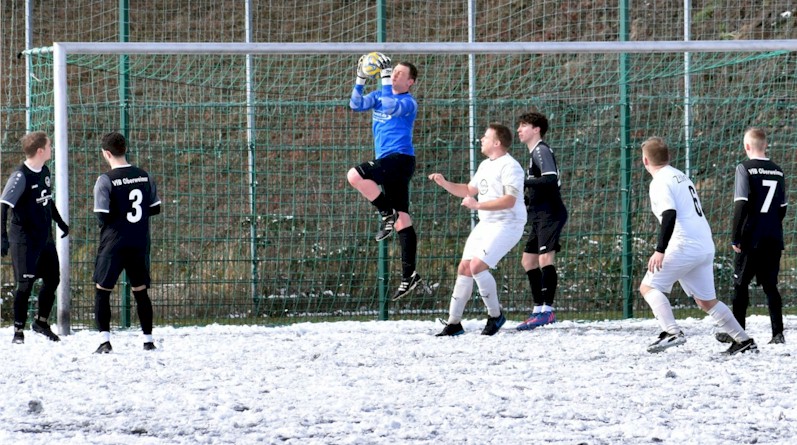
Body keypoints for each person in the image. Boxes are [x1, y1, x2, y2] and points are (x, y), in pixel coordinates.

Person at [639, 136, 757, 355]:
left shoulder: (659, 181)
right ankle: (744, 341)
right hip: (703, 245)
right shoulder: (682, 176)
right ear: (669, 156)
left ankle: (672, 331)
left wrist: (660, 250)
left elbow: (669, 213)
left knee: (648, 287)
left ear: (645, 161)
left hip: (685, 245)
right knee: (706, 301)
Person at [429, 123, 526, 336]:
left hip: (507, 224)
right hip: (487, 224)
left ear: (497, 143)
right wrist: (444, 183)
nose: (481, 139)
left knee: (477, 266)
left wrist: (477, 205)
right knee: (464, 268)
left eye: (485, 137)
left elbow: (509, 201)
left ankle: (495, 316)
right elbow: (468, 189)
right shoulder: (485, 165)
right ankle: (454, 323)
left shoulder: (511, 167)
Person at [347, 53, 422, 300]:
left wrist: (386, 77)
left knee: (355, 175)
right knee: (403, 220)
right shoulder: (379, 94)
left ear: (410, 82)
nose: (394, 75)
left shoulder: (409, 102)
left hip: (400, 160)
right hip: (389, 161)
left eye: (400, 73)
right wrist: (360, 77)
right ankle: (409, 276)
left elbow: (391, 106)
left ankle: (385, 212)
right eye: (394, 72)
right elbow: (355, 104)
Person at [715, 128, 787, 345]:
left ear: (747, 146)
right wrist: (771, 225)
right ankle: (778, 333)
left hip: (751, 238)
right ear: (765, 145)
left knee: (740, 285)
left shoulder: (744, 168)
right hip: (773, 237)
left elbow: (741, 205)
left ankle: (737, 333)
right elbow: (782, 208)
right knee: (771, 286)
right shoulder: (778, 170)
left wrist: (735, 237)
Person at [92, 132, 161, 353]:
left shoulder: (106, 180)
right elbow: (155, 207)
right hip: (139, 241)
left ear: (107, 153)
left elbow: (101, 214)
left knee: (102, 290)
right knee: (140, 291)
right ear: (125, 149)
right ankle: (148, 340)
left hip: (114, 243)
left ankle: (105, 341)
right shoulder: (144, 175)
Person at [1, 131, 69, 344]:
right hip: (24, 240)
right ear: (40, 150)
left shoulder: (45, 171)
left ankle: (40, 322)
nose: (51, 149)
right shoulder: (21, 176)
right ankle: (18, 331)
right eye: (49, 146)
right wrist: (2, 236)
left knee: (53, 279)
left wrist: (59, 221)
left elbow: (47, 200)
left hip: (44, 237)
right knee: (25, 284)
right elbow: (4, 205)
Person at [515, 111, 568, 331]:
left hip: (550, 212)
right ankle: (538, 310)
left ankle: (547, 310)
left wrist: (523, 181)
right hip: (538, 214)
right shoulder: (533, 154)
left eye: (524, 125)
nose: (519, 130)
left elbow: (550, 179)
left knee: (546, 258)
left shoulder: (541, 150)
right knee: (528, 261)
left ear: (536, 129)